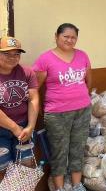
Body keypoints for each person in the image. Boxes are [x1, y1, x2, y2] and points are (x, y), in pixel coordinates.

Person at [33, 23, 92, 191]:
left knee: (78, 148)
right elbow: (35, 87)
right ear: (56, 36)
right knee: (59, 151)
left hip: (82, 110)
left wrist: (84, 97)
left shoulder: (82, 55)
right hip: (57, 113)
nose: (70, 40)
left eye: (73, 37)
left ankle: (76, 185)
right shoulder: (45, 59)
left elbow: (88, 79)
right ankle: (59, 188)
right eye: (66, 36)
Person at [0, 37, 40, 178]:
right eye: (6, 53)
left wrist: (30, 126)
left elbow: (33, 99)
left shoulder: (27, 72)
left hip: (24, 126)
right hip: (2, 130)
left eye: (16, 54)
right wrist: (15, 128)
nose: (12, 57)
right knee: (2, 166)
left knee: (26, 164)